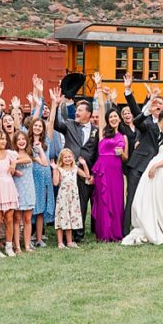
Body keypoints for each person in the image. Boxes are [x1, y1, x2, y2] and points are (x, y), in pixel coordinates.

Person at [122, 73, 163, 235]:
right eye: (155, 103)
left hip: (155, 171)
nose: (158, 105)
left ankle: (150, 227)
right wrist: (128, 90)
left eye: (161, 103)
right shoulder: (148, 124)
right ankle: (125, 231)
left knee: (150, 200)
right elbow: (137, 120)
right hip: (139, 167)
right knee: (131, 199)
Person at [49, 88, 103, 242]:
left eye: (80, 110)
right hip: (68, 171)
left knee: (82, 203)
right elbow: (54, 124)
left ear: (88, 113)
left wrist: (93, 174)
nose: (77, 112)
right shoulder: (70, 124)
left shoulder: (95, 130)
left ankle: (78, 235)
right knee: (67, 203)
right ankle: (67, 234)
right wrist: (55, 105)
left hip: (86, 172)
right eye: (77, 110)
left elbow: (97, 153)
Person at [92, 98, 128, 242]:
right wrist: (99, 88)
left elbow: (126, 158)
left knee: (117, 201)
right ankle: (104, 233)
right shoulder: (102, 132)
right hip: (103, 171)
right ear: (108, 120)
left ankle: (116, 232)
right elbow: (101, 108)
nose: (113, 118)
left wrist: (122, 154)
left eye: (115, 116)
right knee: (103, 200)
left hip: (116, 171)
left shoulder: (124, 136)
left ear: (119, 119)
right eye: (110, 117)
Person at [28, 117, 55, 247]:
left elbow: (52, 120)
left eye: (40, 126)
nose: (38, 128)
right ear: (32, 127)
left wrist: (54, 103)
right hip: (31, 176)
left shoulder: (46, 141)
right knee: (29, 208)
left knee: (40, 209)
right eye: (36, 125)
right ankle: (28, 239)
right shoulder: (26, 142)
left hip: (44, 176)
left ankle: (39, 239)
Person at [51, 148, 86, 249]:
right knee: (61, 217)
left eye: (69, 157)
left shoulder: (75, 168)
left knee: (70, 218)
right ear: (61, 159)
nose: (67, 159)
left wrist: (84, 164)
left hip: (73, 198)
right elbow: (55, 182)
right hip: (63, 198)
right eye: (65, 157)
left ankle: (70, 242)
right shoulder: (59, 169)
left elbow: (86, 175)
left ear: (73, 158)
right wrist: (54, 170)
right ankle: (60, 242)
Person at [11, 131, 37, 254]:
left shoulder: (29, 153)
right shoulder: (12, 154)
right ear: (15, 142)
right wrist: (14, 170)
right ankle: (17, 246)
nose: (21, 141)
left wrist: (15, 162)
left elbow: (28, 159)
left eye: (23, 139)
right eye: (18, 139)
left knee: (27, 218)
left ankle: (27, 245)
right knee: (16, 218)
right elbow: (8, 169)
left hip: (29, 188)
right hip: (17, 187)